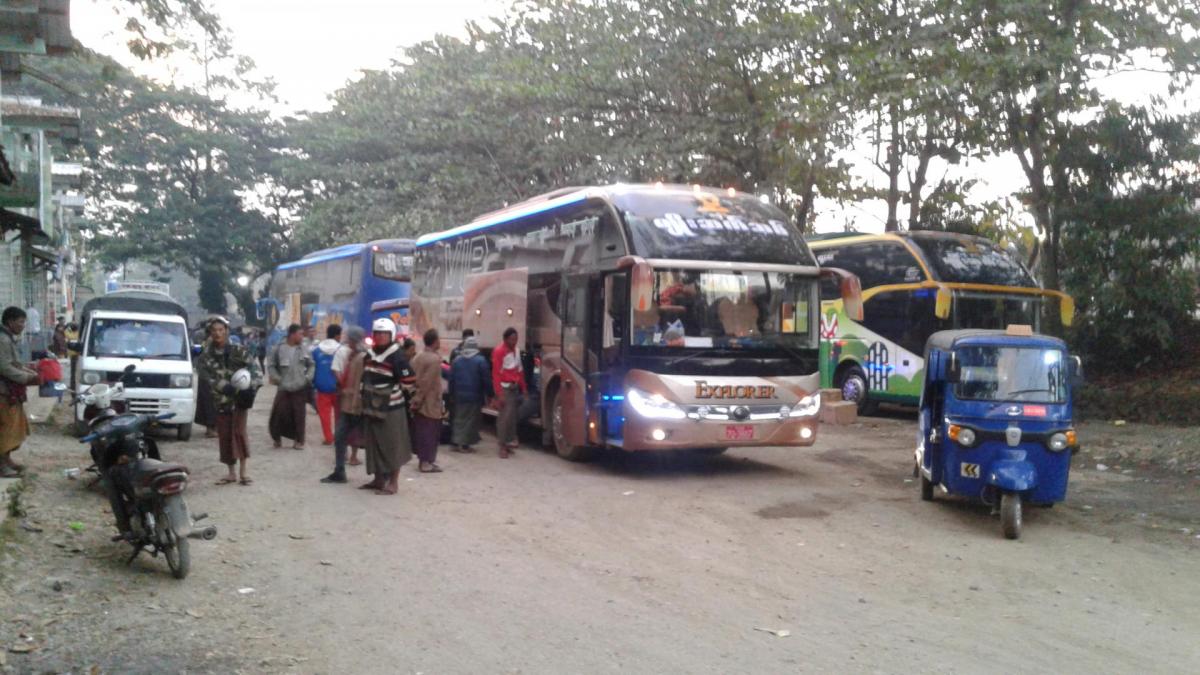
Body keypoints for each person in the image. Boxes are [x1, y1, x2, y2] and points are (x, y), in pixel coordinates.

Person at [198, 317, 261, 486]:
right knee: (225, 436)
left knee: (239, 432)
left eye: (220, 329)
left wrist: (250, 388)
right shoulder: (206, 356)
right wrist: (223, 386)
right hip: (221, 400)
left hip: (240, 400)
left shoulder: (239, 350)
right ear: (210, 333)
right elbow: (207, 377)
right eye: (214, 331)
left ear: (226, 330)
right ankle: (231, 473)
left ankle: (244, 472)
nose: (218, 333)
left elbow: (255, 371)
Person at [359, 318, 415, 495]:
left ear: (391, 335)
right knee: (374, 444)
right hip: (371, 407)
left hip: (391, 409)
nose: (381, 337)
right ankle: (378, 480)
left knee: (392, 445)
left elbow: (409, 379)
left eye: (384, 333)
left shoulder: (397, 356)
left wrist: (391, 388)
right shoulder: (369, 355)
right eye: (378, 333)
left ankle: (393, 483)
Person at [322, 325, 367, 483]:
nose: (348, 341)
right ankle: (339, 471)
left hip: (355, 405)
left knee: (365, 438)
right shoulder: (352, 355)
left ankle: (383, 475)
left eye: (350, 339)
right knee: (341, 437)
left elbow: (359, 383)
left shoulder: (361, 358)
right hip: (349, 404)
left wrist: (349, 393)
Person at [0, 307, 40, 477]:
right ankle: (2, 465)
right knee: (6, 428)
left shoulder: (9, 338)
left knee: (16, 427)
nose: (23, 325)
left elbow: (15, 363)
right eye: (21, 322)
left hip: (10, 391)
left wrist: (31, 372)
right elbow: (4, 367)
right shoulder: (3, 340)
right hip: (3, 391)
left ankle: (7, 459)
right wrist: (27, 378)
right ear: (10, 322)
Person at [268, 323, 314, 450]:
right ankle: (277, 439)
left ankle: (299, 441)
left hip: (300, 386)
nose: (302, 337)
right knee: (278, 413)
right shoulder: (278, 348)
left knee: (299, 415)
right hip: (284, 387)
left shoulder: (304, 349)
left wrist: (307, 378)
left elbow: (311, 364)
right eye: (300, 334)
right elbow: (271, 365)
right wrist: (277, 378)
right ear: (292, 335)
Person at [411, 328, 445, 473]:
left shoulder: (417, 357)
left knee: (421, 431)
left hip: (419, 398)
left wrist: (414, 399)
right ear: (435, 341)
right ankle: (426, 462)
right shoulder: (434, 360)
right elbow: (426, 382)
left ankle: (425, 460)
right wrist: (418, 399)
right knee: (430, 432)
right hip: (429, 401)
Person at [448, 335, 490, 453]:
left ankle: (455, 442)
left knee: (459, 419)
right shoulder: (481, 361)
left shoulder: (456, 361)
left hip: (459, 396)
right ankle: (465, 444)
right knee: (470, 420)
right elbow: (486, 379)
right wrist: (490, 393)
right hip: (474, 396)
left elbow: (452, 379)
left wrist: (451, 394)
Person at [492, 326, 526, 458]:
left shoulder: (516, 351)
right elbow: (496, 374)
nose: (514, 342)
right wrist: (499, 393)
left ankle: (508, 442)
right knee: (504, 418)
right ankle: (502, 445)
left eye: (516, 339)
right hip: (504, 388)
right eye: (512, 339)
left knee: (511, 417)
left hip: (514, 387)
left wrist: (524, 388)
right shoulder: (499, 352)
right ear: (505, 339)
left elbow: (520, 370)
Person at [312, 324, 343, 446]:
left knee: (324, 415)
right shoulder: (341, 349)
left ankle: (328, 438)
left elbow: (312, 369)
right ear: (336, 335)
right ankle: (339, 436)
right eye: (340, 335)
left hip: (322, 387)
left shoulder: (316, 350)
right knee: (339, 415)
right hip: (338, 387)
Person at [194, 321, 220, 439]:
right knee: (210, 403)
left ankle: (211, 428)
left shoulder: (207, 340)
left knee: (208, 402)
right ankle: (211, 428)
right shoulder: (210, 342)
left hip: (207, 375)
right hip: (208, 376)